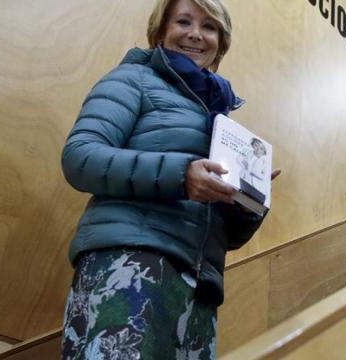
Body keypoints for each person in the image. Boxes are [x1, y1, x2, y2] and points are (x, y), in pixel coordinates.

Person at [60, 0, 279, 358]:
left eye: (209, 27)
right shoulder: (133, 78)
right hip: (131, 263)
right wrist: (182, 175)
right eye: (183, 21)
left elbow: (229, 237)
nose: (196, 34)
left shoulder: (219, 117)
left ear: (220, 44)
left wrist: (249, 201)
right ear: (160, 32)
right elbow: (79, 157)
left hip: (200, 286)